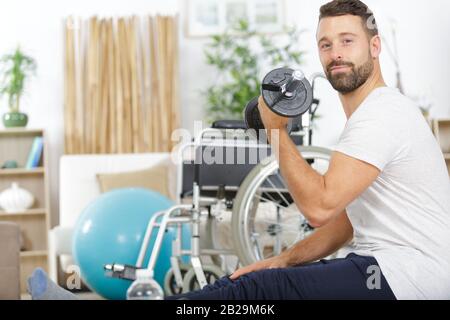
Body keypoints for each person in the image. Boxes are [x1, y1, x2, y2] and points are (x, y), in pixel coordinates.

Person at [28, 0, 450, 300]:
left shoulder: (381, 114)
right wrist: (282, 260)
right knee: (252, 281)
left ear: (374, 48)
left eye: (347, 41)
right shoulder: (371, 118)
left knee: (257, 293)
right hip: (387, 268)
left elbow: (319, 209)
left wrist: (276, 132)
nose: (335, 54)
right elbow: (345, 222)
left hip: (407, 277)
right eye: (326, 44)